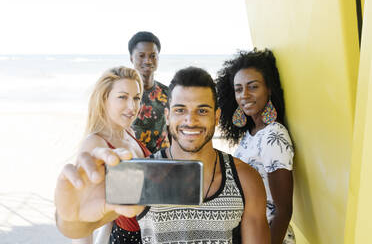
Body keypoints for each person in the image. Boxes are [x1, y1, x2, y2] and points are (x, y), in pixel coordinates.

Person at [55, 66, 270, 243]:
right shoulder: (146, 175)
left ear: (216, 116)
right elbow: (80, 225)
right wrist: (70, 217)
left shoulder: (245, 178)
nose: (190, 120)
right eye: (180, 110)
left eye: (202, 110)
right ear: (167, 116)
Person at [216, 49, 295, 244]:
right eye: (238, 89)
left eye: (253, 87)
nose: (244, 95)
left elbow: (283, 211)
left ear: (268, 89)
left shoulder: (273, 134)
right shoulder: (250, 135)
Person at [68, 66, 151, 244]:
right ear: (105, 99)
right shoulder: (95, 144)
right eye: (122, 97)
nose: (132, 107)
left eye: (136, 98)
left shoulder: (128, 132)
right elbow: (81, 219)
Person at [128, 31, 169, 153]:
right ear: (131, 58)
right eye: (141, 55)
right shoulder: (123, 94)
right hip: (131, 159)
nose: (148, 61)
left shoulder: (168, 93)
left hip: (163, 162)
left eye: (152, 55)